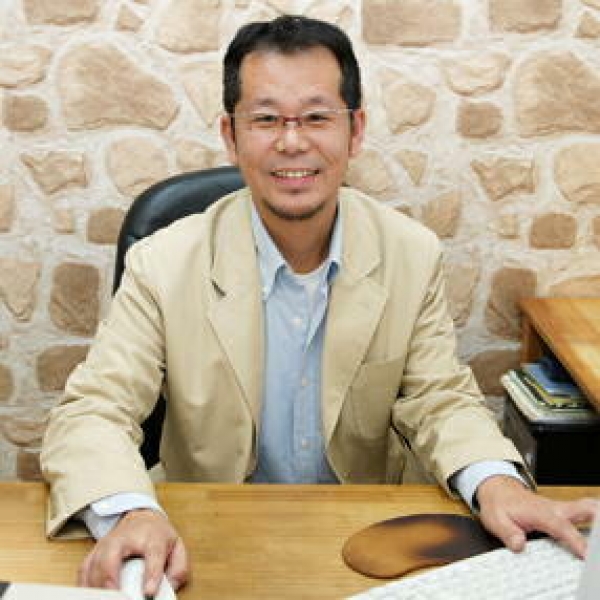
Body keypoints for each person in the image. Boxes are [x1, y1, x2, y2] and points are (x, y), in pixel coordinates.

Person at [40, 14, 597, 597]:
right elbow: (94, 411)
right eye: (265, 119)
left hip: (363, 544)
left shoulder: (410, 253)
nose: (291, 141)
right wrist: (131, 514)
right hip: (202, 540)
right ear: (231, 135)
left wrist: (499, 485)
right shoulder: (164, 262)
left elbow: (440, 400)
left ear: (355, 131)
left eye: (315, 116)